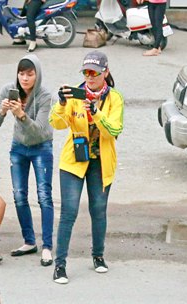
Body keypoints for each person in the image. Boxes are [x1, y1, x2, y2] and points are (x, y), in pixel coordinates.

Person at [49, 51, 124, 285]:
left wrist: (96, 112)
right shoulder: (73, 94)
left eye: (95, 73)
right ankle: (59, 265)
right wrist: (62, 103)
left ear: (106, 73)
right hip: (74, 160)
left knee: (98, 210)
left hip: (101, 162)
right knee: (68, 213)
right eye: (86, 72)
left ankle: (98, 256)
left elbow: (114, 130)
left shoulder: (115, 98)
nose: (90, 77)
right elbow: (56, 123)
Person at [0, 53, 55, 266]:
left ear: (37, 74)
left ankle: (47, 246)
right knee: (19, 196)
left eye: (30, 74)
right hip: (18, 148)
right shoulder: (10, 90)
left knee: (44, 196)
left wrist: (21, 115)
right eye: (21, 73)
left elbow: (41, 132)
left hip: (41, 148)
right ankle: (29, 241)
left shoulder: (46, 96)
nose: (25, 78)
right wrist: (2, 111)